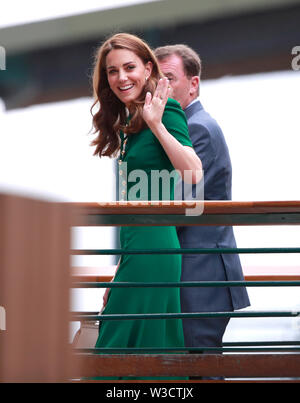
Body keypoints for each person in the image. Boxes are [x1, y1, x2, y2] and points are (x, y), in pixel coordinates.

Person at [90, 33, 202, 380]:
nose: (121, 77)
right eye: (112, 71)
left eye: (129, 67)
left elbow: (194, 172)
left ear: (148, 68)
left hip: (155, 251)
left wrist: (156, 124)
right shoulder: (127, 122)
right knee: (130, 356)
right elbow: (132, 203)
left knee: (116, 358)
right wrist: (121, 266)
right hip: (135, 252)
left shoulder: (163, 109)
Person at [155, 45, 250, 363]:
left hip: (201, 275)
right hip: (199, 274)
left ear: (193, 83)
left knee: (199, 366)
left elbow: (180, 205)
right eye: (157, 79)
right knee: (195, 366)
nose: (161, 88)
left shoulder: (197, 129)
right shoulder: (187, 127)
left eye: (169, 78)